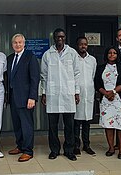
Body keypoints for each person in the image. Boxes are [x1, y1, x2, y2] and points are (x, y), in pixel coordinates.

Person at [41, 28, 80, 161]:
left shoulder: (72, 53)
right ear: (54, 38)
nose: (60, 39)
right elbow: (44, 76)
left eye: (62, 37)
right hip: (53, 94)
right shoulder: (47, 54)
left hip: (68, 94)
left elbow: (77, 74)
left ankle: (69, 150)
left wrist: (76, 92)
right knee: (53, 126)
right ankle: (54, 150)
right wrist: (44, 93)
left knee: (69, 125)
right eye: (58, 37)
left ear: (65, 38)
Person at [7, 33, 40, 162]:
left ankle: (28, 150)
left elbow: (35, 78)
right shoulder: (10, 58)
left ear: (24, 44)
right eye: (15, 42)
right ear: (12, 44)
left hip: (26, 98)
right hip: (13, 98)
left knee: (26, 125)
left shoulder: (30, 57)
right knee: (17, 124)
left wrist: (32, 97)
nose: (18, 45)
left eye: (20, 42)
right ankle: (20, 146)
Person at [94, 46, 121, 159]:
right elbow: (97, 83)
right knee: (108, 125)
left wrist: (113, 92)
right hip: (106, 101)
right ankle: (110, 148)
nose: (112, 55)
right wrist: (105, 93)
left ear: (117, 55)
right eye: (109, 53)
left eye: (114, 53)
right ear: (106, 55)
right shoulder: (100, 68)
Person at [73, 36, 97, 156]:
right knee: (76, 122)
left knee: (87, 122)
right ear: (77, 45)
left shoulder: (92, 60)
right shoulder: (73, 58)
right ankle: (76, 145)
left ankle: (86, 145)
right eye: (81, 44)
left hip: (88, 94)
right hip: (77, 94)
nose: (83, 46)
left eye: (85, 44)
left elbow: (93, 76)